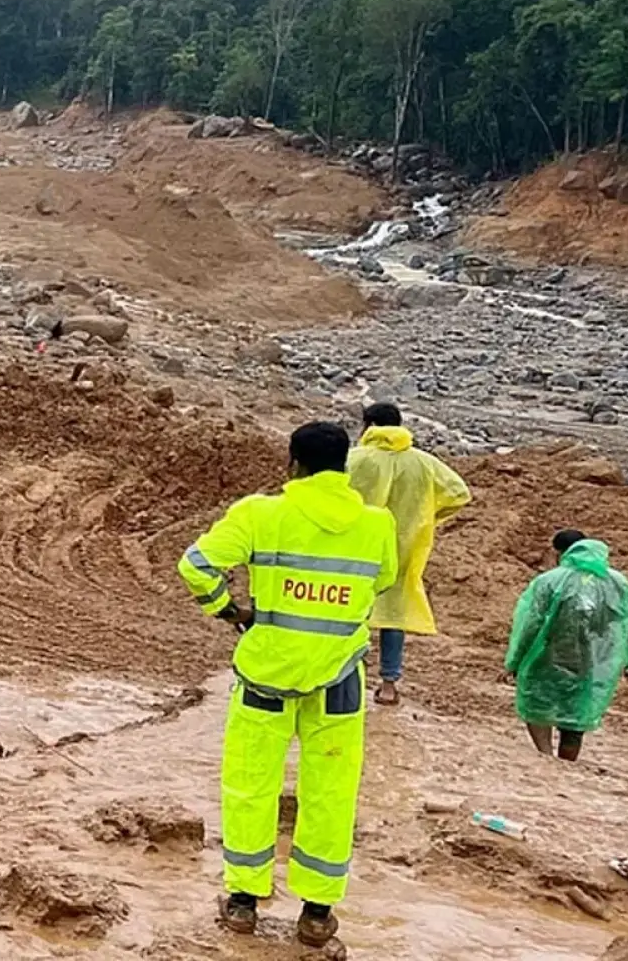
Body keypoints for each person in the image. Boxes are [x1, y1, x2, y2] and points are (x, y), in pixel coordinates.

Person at [178, 422, 398, 948]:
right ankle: (317, 915)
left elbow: (196, 565)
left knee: (251, 786)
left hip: (266, 678)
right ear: (344, 466)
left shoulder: (261, 514)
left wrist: (227, 609)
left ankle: (243, 904)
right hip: (340, 680)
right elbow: (384, 579)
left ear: (293, 464)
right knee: (331, 794)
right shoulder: (377, 525)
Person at [346, 402, 472, 706]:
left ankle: (350, 673)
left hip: (355, 543)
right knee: (395, 612)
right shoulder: (423, 462)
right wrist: (428, 516)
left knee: (350, 607)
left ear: (369, 425)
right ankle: (389, 684)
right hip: (403, 546)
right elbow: (459, 492)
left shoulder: (355, 458)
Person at [506, 530, 628, 762]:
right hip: (593, 660)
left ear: (560, 552)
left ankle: (545, 755)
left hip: (548, 654)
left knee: (537, 701)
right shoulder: (618, 583)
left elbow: (530, 624)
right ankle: (567, 761)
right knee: (577, 709)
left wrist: (515, 661)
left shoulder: (549, 580)